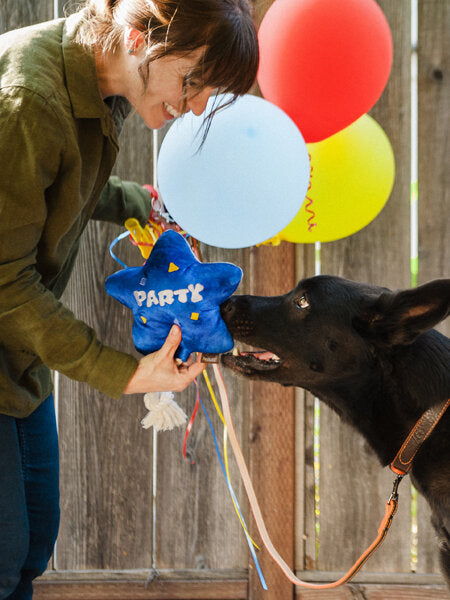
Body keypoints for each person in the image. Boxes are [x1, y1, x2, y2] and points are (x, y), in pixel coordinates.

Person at [0, 0, 259, 597]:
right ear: (143, 32)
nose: (194, 107)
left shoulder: (103, 86)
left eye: (208, 94)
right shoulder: (30, 99)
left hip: (19, 358)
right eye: (194, 81)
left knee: (33, 545)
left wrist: (142, 203)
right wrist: (123, 372)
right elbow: (4, 279)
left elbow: (64, 181)